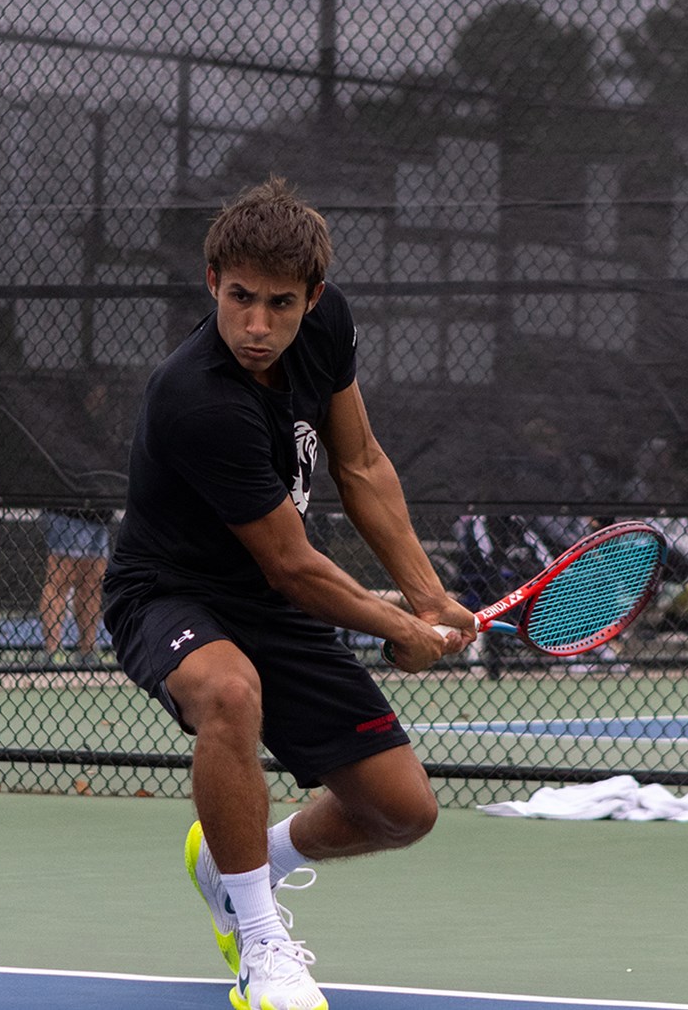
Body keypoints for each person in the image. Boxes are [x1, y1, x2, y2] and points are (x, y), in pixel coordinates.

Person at [102, 177, 475, 1010]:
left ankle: (239, 862)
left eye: (279, 303)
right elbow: (293, 565)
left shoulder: (327, 326)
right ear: (212, 284)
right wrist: (396, 627)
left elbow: (363, 463)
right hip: (169, 593)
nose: (258, 325)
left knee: (402, 812)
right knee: (228, 691)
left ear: (312, 297)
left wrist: (427, 595)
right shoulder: (197, 399)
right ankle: (261, 945)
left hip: (272, 605)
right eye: (240, 299)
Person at [38, 507, 110, 662]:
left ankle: (87, 650)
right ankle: (52, 649)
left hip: (99, 511)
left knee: (92, 583)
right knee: (60, 579)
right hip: (67, 507)